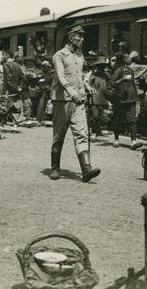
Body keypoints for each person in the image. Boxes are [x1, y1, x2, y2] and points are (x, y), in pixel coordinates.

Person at [49, 24, 100, 183]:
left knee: (82, 133)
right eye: (78, 36)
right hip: (62, 100)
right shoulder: (60, 55)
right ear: (71, 37)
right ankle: (55, 167)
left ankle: (86, 169)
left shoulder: (80, 56)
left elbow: (79, 74)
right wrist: (71, 92)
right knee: (59, 135)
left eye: (82, 36)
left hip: (79, 101)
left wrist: (86, 84)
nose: (81, 39)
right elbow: (61, 76)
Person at [110, 53, 138, 147]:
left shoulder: (131, 70)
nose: (130, 59)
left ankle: (133, 141)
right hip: (120, 99)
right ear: (124, 59)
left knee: (132, 120)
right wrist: (121, 79)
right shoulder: (119, 70)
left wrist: (136, 97)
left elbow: (133, 84)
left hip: (131, 98)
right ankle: (116, 139)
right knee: (117, 119)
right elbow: (112, 83)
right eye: (128, 57)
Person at [86, 56, 110, 140]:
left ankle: (98, 131)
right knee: (95, 116)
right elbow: (88, 84)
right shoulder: (93, 75)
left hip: (104, 98)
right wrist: (91, 89)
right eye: (100, 66)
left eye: (103, 66)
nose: (102, 68)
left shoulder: (106, 75)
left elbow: (109, 85)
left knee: (101, 116)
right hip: (95, 98)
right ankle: (93, 132)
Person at [2, 50, 25, 124]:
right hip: (16, 89)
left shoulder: (6, 65)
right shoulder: (18, 66)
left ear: (8, 56)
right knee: (15, 104)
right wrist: (19, 87)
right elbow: (22, 78)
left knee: (7, 104)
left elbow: (7, 78)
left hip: (9, 88)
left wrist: (11, 87)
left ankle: (4, 120)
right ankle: (15, 119)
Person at [23, 56, 44, 120]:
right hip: (30, 88)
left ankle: (34, 116)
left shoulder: (40, 70)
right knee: (29, 103)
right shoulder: (29, 70)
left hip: (37, 89)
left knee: (35, 103)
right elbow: (27, 77)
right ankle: (29, 116)